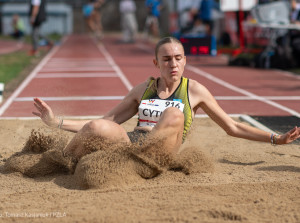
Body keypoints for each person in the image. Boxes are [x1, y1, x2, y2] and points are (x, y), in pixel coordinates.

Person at [32, 37, 300, 160]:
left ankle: (145, 161)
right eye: (167, 59)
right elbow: (105, 121)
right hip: (133, 145)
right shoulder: (143, 89)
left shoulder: (194, 90)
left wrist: (276, 138)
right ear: (156, 62)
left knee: (174, 114)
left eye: (178, 58)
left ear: (185, 61)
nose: (173, 63)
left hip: (163, 152)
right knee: (98, 128)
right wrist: (55, 121)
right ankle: (62, 161)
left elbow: (233, 127)